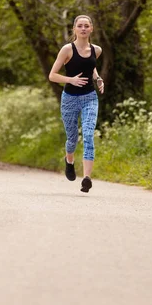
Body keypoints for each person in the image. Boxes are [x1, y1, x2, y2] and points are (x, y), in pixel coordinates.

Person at [49, 14, 104, 193]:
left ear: (91, 28)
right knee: (72, 138)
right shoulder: (67, 50)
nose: (83, 28)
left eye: (86, 26)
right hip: (70, 99)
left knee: (88, 134)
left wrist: (97, 78)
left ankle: (87, 178)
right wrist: (70, 80)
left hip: (90, 97)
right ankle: (69, 161)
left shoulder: (97, 50)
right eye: (79, 26)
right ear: (74, 29)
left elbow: (91, 66)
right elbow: (52, 75)